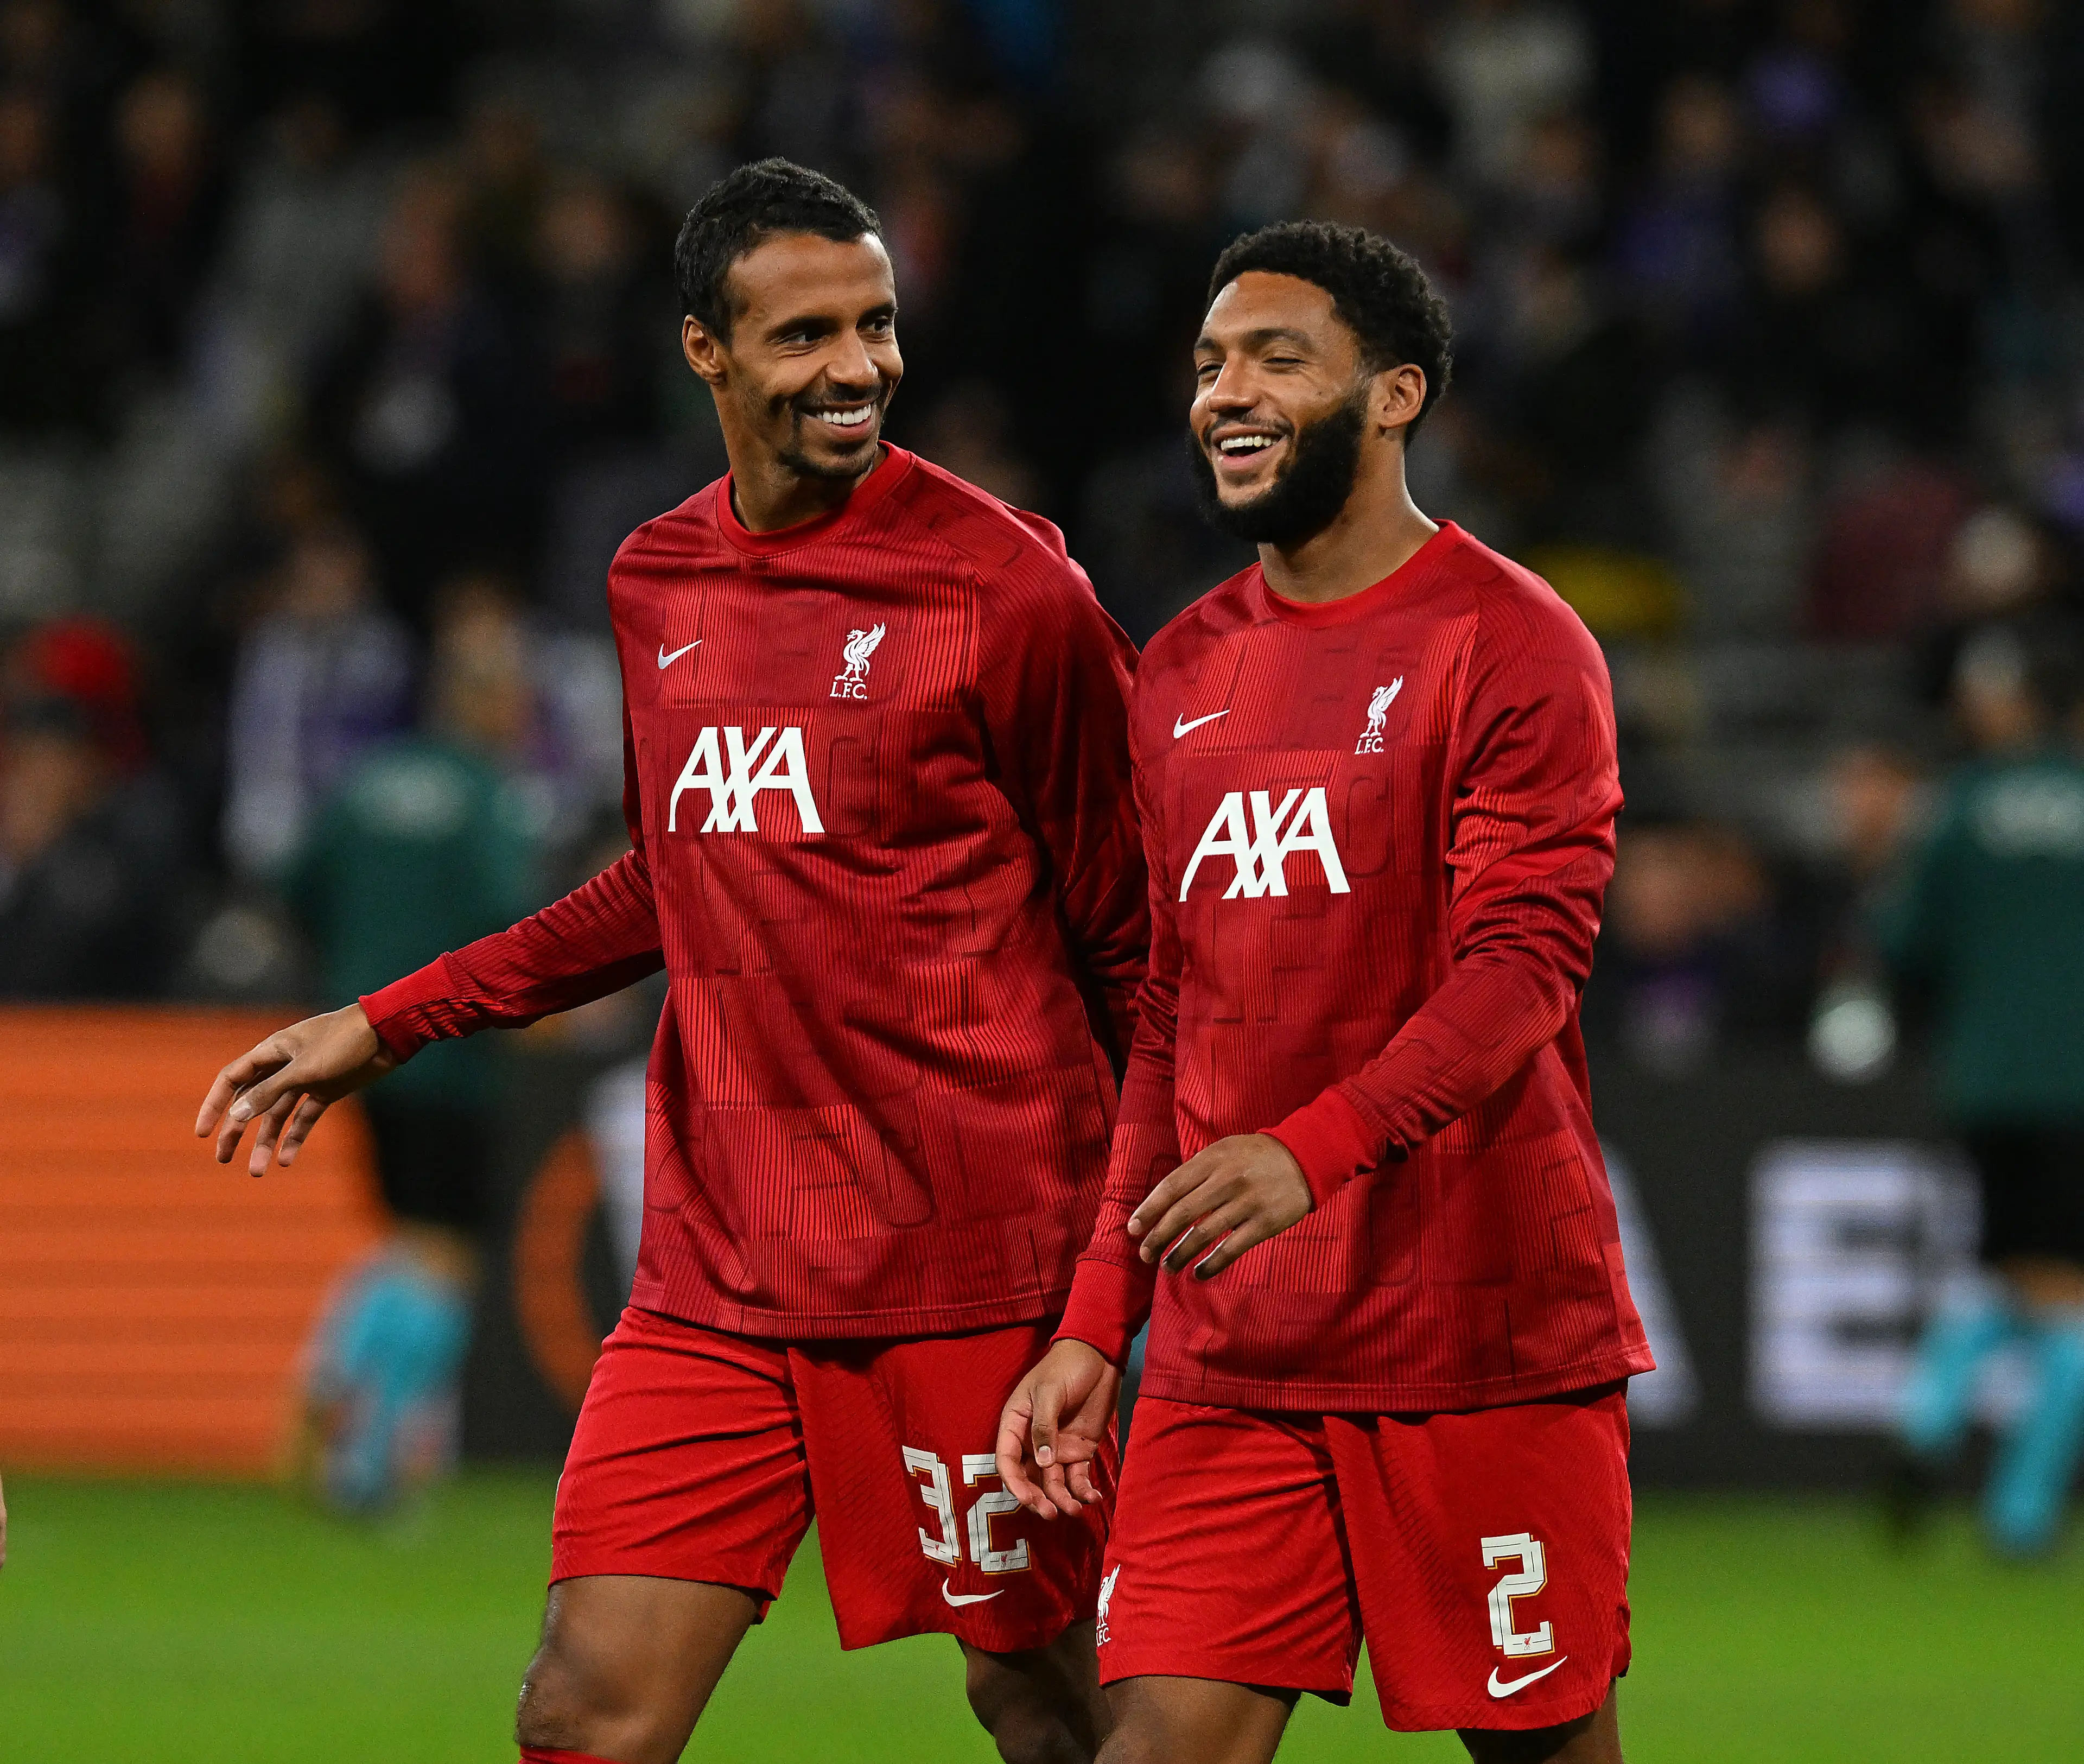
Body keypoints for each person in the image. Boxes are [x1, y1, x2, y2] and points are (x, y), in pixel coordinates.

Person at [196, 158, 1145, 1764]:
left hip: (977, 1259)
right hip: (722, 1267)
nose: (855, 368)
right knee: (583, 1714)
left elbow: (1137, 942)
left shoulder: (1008, 587)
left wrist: (1120, 1281)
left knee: (1045, 1694)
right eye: (802, 336)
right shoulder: (659, 582)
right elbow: (677, 880)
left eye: (875, 324)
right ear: (705, 351)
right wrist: (393, 1018)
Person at [996, 221, 1651, 1764]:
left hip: (1479, 1335)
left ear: (1397, 393)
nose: (1227, 390)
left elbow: (1525, 972)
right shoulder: (1181, 669)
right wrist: (1101, 1318)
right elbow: (1172, 1010)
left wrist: (1313, 1146)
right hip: (1238, 1358)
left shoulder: (1513, 643)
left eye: (1278, 358)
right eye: (1212, 361)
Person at [281, 589, 548, 1511]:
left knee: (404, 1234)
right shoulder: (488, 795)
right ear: (487, 702)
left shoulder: (365, 781)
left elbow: (297, 882)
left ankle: (334, 1365)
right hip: (451, 1048)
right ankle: (370, 1459)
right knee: (447, 1255)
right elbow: (510, 913)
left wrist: (354, 969)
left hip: (358, 1040)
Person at [1877, 620, 2084, 1557]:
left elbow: (1901, 941)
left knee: (2013, 1267)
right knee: (2068, 1295)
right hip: (2076, 1080)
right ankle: (2023, 1512)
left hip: (1988, 1078)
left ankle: (1926, 1416)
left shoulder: (1960, 806)